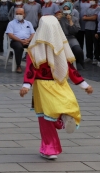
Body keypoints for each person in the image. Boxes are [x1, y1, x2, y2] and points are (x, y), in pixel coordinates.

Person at [20, 16, 92, 160]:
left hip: (42, 85)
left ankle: (50, 149)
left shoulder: (34, 48)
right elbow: (70, 69)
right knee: (67, 103)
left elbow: (31, 69)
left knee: (45, 118)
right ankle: (62, 119)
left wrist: (26, 85)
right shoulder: (61, 46)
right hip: (60, 82)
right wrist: (84, 85)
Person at [6, 8, 35, 73]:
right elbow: (10, 35)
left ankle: (34, 65)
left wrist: (28, 40)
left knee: (35, 46)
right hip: (15, 41)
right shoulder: (11, 23)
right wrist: (21, 41)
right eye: (17, 14)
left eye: (20, 14)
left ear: (24, 14)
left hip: (27, 40)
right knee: (19, 47)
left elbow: (33, 33)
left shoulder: (28, 23)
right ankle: (18, 66)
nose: (18, 15)